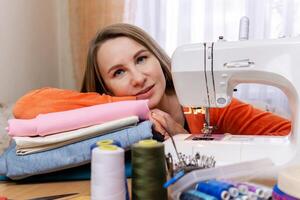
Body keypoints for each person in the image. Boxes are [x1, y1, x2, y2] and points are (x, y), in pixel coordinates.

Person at [13, 23, 291, 138]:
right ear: (105, 86)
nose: (138, 78)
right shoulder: (113, 122)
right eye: (118, 73)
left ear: (157, 57)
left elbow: (289, 135)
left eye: (141, 59)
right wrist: (123, 106)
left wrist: (184, 138)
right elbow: (27, 108)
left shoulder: (209, 108)